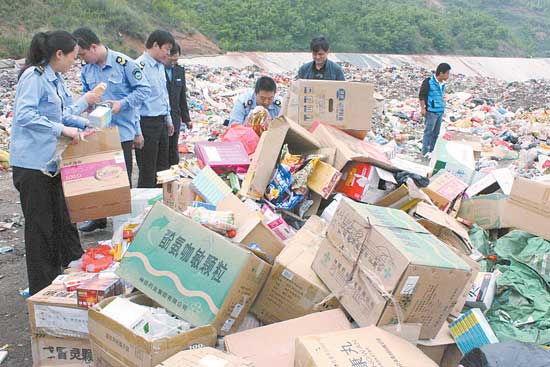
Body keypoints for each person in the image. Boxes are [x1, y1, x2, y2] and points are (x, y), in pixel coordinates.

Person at [10, 31, 96, 295]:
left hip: (51, 164)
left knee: (60, 221)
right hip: (32, 165)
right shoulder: (33, 77)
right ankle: (42, 289)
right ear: (59, 54)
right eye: (73, 56)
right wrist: (62, 130)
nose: (74, 62)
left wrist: (85, 125)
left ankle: (58, 279)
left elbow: (64, 113)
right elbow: (25, 115)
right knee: (40, 229)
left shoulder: (56, 80)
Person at [73, 27, 151, 233]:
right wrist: (87, 102)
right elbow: (84, 92)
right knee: (97, 177)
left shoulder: (123, 64)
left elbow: (144, 89)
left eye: (83, 54)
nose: (82, 59)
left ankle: (123, 223)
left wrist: (121, 104)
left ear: (93, 47)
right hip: (97, 130)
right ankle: (98, 217)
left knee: (120, 180)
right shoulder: (87, 69)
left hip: (121, 132)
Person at [135, 30, 175, 188]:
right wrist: (137, 132)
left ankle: (161, 203)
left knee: (162, 169)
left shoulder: (160, 66)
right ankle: (145, 207)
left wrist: (169, 119)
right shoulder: (139, 67)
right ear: (155, 45)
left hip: (161, 123)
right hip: (147, 123)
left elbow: (164, 95)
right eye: (166, 48)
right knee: (147, 170)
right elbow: (136, 103)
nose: (168, 53)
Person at [164, 43, 191, 166]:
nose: (174, 62)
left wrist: (187, 119)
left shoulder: (179, 71)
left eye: (176, 59)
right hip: (161, 118)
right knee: (163, 151)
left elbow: (182, 97)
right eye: (172, 59)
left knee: (173, 151)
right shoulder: (158, 70)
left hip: (175, 116)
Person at [419, 63, 451, 157]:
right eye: (447, 73)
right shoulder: (428, 82)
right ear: (441, 73)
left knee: (436, 133)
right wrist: (423, 108)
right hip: (431, 111)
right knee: (428, 132)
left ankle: (432, 151)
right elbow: (422, 95)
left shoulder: (443, 84)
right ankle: (424, 152)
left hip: (440, 111)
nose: (448, 76)